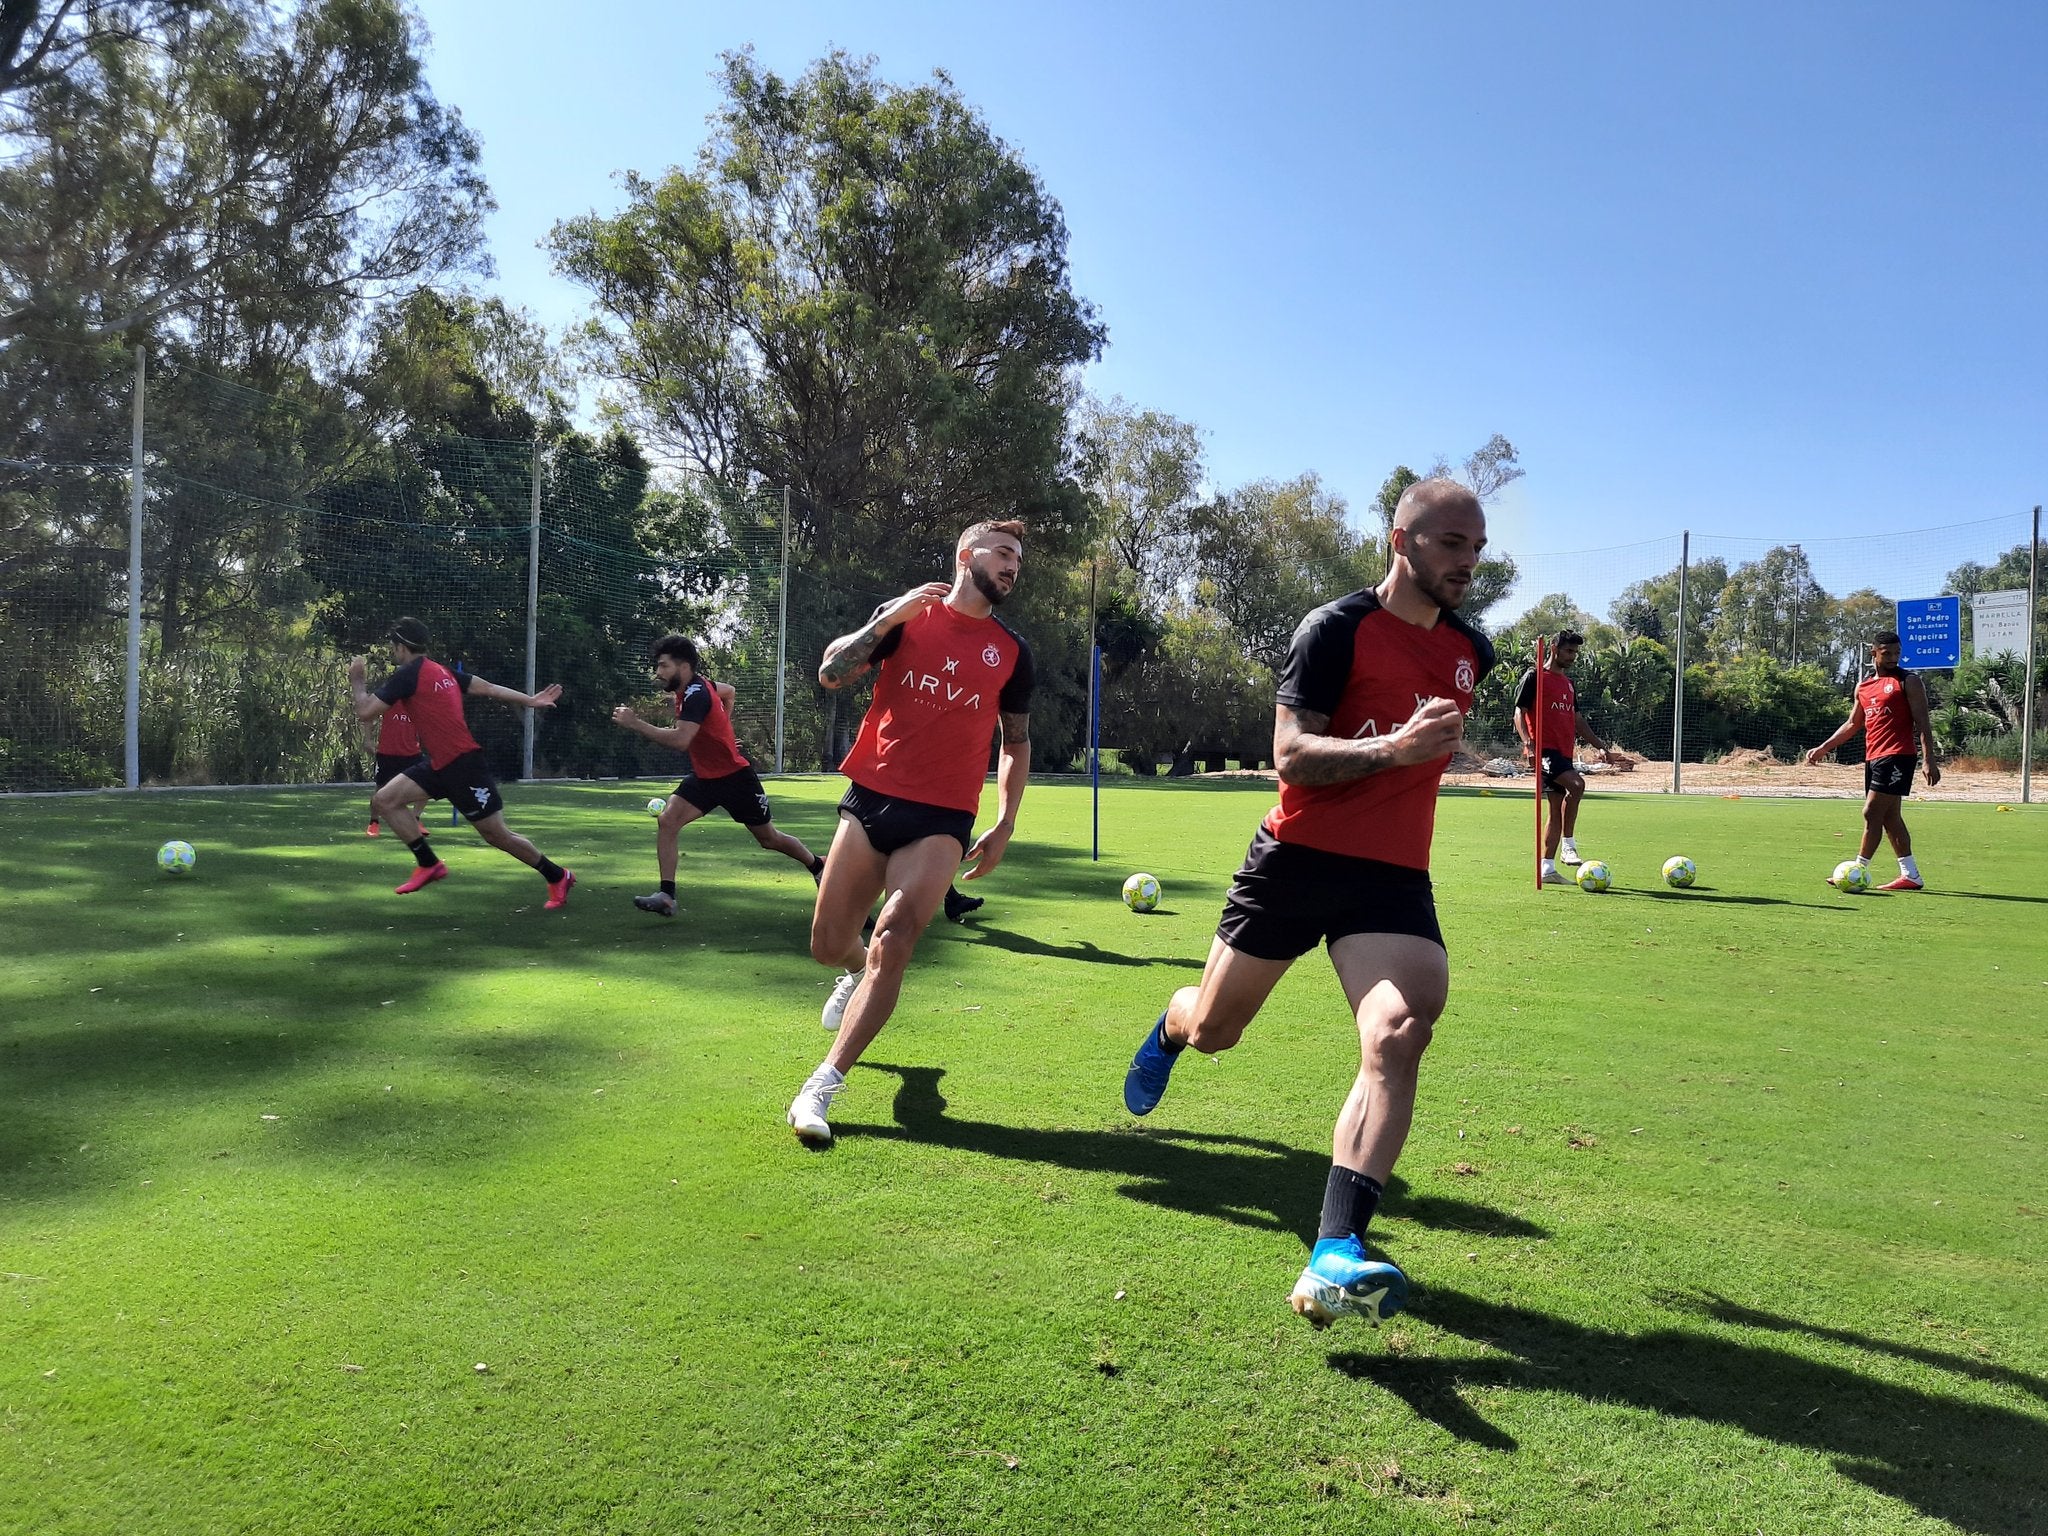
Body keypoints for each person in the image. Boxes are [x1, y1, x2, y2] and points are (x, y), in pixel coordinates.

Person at [1121, 478, 1496, 1330]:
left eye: (1477, 547)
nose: (1467, 561)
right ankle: (1174, 1024)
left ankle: (1336, 1250)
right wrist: (1396, 748)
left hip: (1390, 877)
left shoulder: (1472, 648)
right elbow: (1289, 756)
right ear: (1400, 541)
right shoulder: (1334, 629)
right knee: (1219, 1028)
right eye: (1450, 544)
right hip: (1295, 859)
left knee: (1400, 1033)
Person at [786, 520, 1034, 1145]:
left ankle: (823, 1084)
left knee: (893, 937)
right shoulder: (905, 619)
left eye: (1017, 560)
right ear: (965, 555)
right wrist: (891, 616)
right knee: (828, 943)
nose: (1011, 567)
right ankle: (853, 973)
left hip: (943, 818)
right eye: (1002, 554)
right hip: (870, 799)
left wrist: (1005, 820)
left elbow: (1017, 741)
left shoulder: (1011, 651)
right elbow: (832, 674)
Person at [347, 617, 576, 909]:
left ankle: (558, 875)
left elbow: (366, 711)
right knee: (385, 800)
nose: (394, 653)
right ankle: (428, 863)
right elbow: (489, 687)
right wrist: (529, 700)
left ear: (402, 647)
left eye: (394, 647)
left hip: (464, 765)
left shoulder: (409, 674)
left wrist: (357, 681)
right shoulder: (440, 670)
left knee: (496, 835)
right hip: (441, 764)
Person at [610, 634, 826, 915]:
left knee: (769, 839)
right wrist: (724, 729)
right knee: (668, 821)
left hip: (736, 779)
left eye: (663, 666)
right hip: (705, 777)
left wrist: (636, 723)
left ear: (683, 666)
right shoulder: (697, 687)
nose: (658, 673)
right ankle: (667, 895)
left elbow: (681, 740)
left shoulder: (696, 694)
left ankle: (817, 865)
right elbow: (729, 691)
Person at [1803, 629, 1940, 890]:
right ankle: (1910, 875)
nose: (1893, 658)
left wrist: (1928, 759)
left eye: (1897, 653)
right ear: (1873, 653)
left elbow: (1923, 722)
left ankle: (1857, 870)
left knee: (1871, 812)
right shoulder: (1864, 686)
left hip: (1898, 755)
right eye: (1887, 653)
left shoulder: (1908, 681)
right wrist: (1824, 747)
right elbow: (1853, 724)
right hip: (1874, 757)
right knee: (1890, 818)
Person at [1513, 629, 1614, 883]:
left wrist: (1600, 745)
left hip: (1564, 752)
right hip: (1545, 750)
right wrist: (1529, 745)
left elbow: (1577, 720)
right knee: (1577, 784)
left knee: (1556, 808)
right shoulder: (1534, 676)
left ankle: (1547, 868)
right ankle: (1569, 845)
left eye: (1576, 653)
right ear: (1554, 648)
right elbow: (1519, 712)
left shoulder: (1568, 684)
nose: (1573, 656)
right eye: (1569, 651)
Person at [359, 700, 427, 838]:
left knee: (425, 786)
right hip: (387, 753)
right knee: (381, 788)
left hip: (412, 753)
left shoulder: (419, 701)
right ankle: (374, 822)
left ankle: (415, 820)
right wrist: (367, 740)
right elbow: (369, 714)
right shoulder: (390, 698)